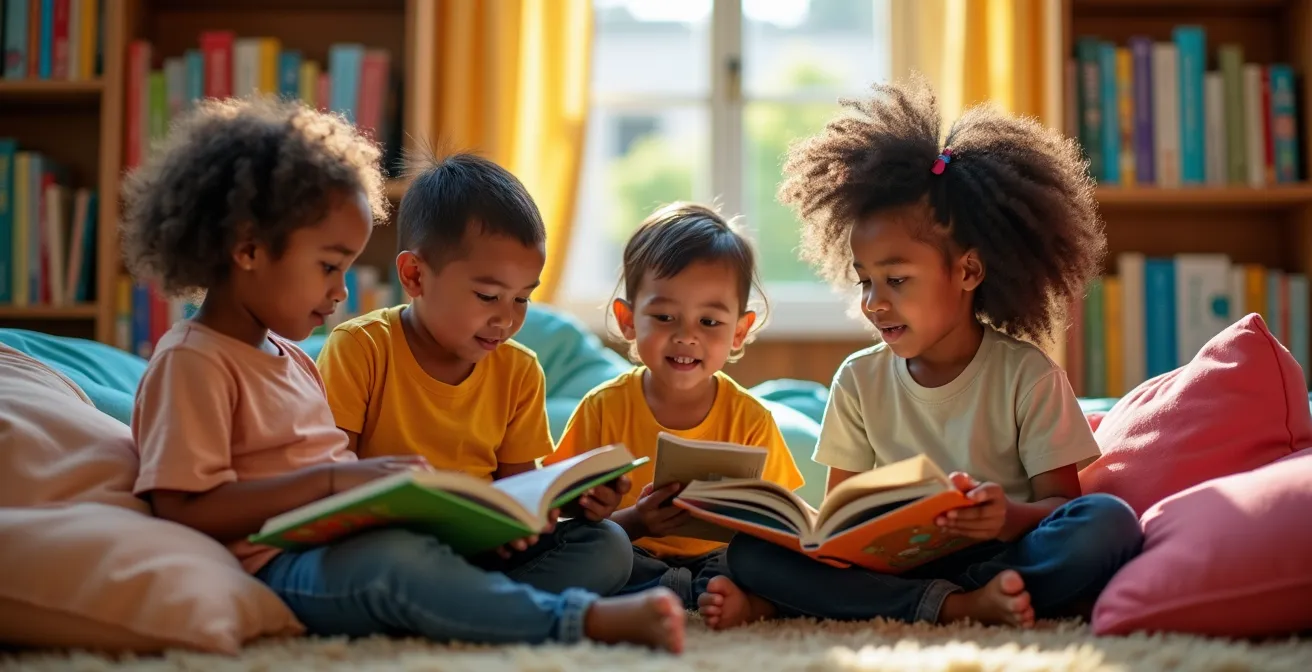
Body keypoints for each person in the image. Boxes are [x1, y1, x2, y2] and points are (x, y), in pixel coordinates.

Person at [123, 98, 684, 652]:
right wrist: (336, 484)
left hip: (370, 544)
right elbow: (181, 507)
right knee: (396, 564)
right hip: (288, 565)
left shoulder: (288, 358)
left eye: (344, 269)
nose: (341, 291)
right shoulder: (193, 360)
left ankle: (463, 604)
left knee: (602, 544)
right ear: (247, 249)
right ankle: (569, 620)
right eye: (328, 266)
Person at [699, 76, 1143, 630]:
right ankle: (956, 607)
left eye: (897, 280)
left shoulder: (1026, 375)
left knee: (1108, 521)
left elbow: (1062, 506)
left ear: (968, 271)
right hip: (897, 569)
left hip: (998, 557)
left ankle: (953, 597)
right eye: (864, 281)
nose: (873, 303)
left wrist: (1007, 518)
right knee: (749, 554)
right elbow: (838, 518)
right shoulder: (858, 380)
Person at [314, 151, 637, 599]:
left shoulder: (520, 370)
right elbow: (332, 480)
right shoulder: (361, 348)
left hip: (485, 551)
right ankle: (489, 604)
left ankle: (464, 602)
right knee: (358, 563)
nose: (505, 320)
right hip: (390, 543)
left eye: (522, 299)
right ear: (415, 276)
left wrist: (570, 506)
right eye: (488, 296)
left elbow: (520, 490)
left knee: (608, 547)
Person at [545, 202, 805, 611]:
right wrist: (632, 520)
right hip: (631, 561)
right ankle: (679, 599)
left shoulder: (752, 419)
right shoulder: (601, 408)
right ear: (628, 321)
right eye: (665, 316)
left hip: (722, 563)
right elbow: (559, 521)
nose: (686, 336)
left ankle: (744, 602)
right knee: (592, 550)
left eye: (709, 322)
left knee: (768, 558)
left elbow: (781, 523)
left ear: (740, 331)